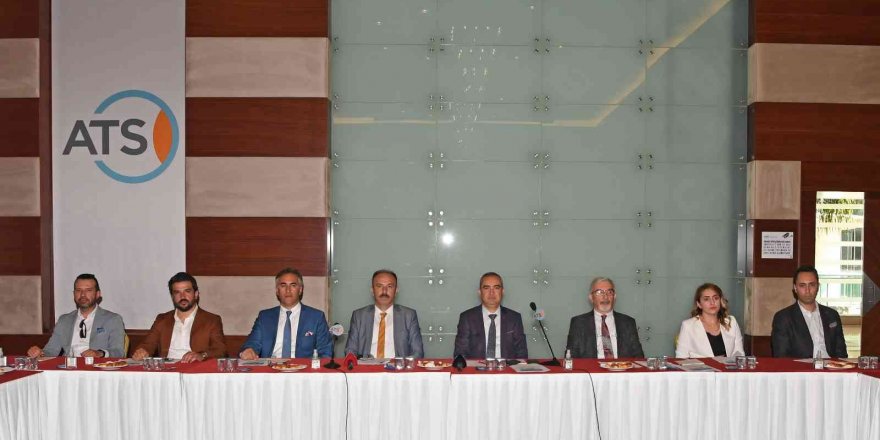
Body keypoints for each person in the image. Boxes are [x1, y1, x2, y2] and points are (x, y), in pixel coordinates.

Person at [131, 272, 227, 362]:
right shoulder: (162, 319)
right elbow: (148, 345)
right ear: (172, 296)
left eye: (187, 291)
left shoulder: (211, 320)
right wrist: (142, 351)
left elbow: (220, 350)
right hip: (167, 369)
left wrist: (201, 355)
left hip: (195, 368)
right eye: (177, 292)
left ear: (196, 294)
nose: (182, 296)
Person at [239, 267, 332, 359]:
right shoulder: (264, 317)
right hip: (271, 366)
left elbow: (325, 352)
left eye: (293, 285)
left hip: (303, 367)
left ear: (300, 290)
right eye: (283, 285)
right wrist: (249, 350)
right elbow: (253, 343)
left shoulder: (316, 317)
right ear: (277, 290)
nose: (288, 290)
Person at [27, 274, 125, 358]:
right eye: (78, 290)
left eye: (88, 290)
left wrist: (99, 353)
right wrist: (40, 353)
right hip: (67, 369)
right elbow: (51, 351)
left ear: (97, 294)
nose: (82, 295)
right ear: (74, 294)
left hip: (96, 369)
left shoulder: (112, 319)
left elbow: (118, 352)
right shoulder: (64, 320)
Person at [771, 265, 847, 358]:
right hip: (800, 367)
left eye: (812, 285)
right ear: (795, 288)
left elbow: (841, 353)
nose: (807, 290)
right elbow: (781, 356)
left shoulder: (832, 315)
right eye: (802, 285)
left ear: (818, 286)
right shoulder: (783, 318)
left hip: (831, 365)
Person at [344, 269, 424, 358]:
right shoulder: (359, 316)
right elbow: (350, 351)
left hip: (398, 366)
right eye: (379, 286)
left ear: (396, 290)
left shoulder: (409, 315)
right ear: (372, 290)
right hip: (367, 365)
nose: (384, 291)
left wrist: (401, 364)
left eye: (389, 286)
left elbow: (417, 353)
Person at [453, 272, 528, 359]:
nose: (491, 293)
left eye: (496, 288)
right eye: (486, 288)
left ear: (502, 291)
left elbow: (522, 354)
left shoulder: (514, 318)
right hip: (477, 367)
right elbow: (460, 353)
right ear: (480, 292)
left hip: (506, 367)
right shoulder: (467, 318)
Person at [566, 276, 644, 358]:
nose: (605, 296)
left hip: (621, 366)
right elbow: (570, 357)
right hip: (591, 366)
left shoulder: (628, 322)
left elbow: (639, 357)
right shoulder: (578, 323)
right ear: (591, 298)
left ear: (614, 297)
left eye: (609, 292)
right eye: (599, 292)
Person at [675, 283, 744, 358]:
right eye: (706, 299)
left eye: (716, 298)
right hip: (699, 366)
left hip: (728, 365)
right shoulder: (688, 326)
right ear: (699, 304)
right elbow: (681, 358)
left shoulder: (732, 321)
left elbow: (739, 354)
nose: (712, 302)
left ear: (720, 301)